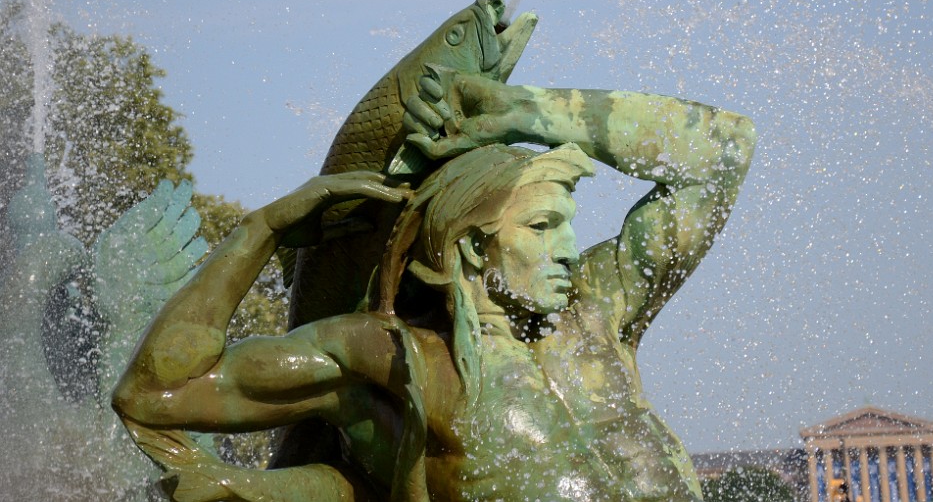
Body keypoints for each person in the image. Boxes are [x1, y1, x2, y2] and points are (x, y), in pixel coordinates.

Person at [112, 72, 756, 502]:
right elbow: (155, 394)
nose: (567, 248)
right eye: (542, 226)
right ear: (474, 246)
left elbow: (724, 154)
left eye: (569, 227)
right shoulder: (393, 361)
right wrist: (263, 230)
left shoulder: (596, 307)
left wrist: (526, 112)